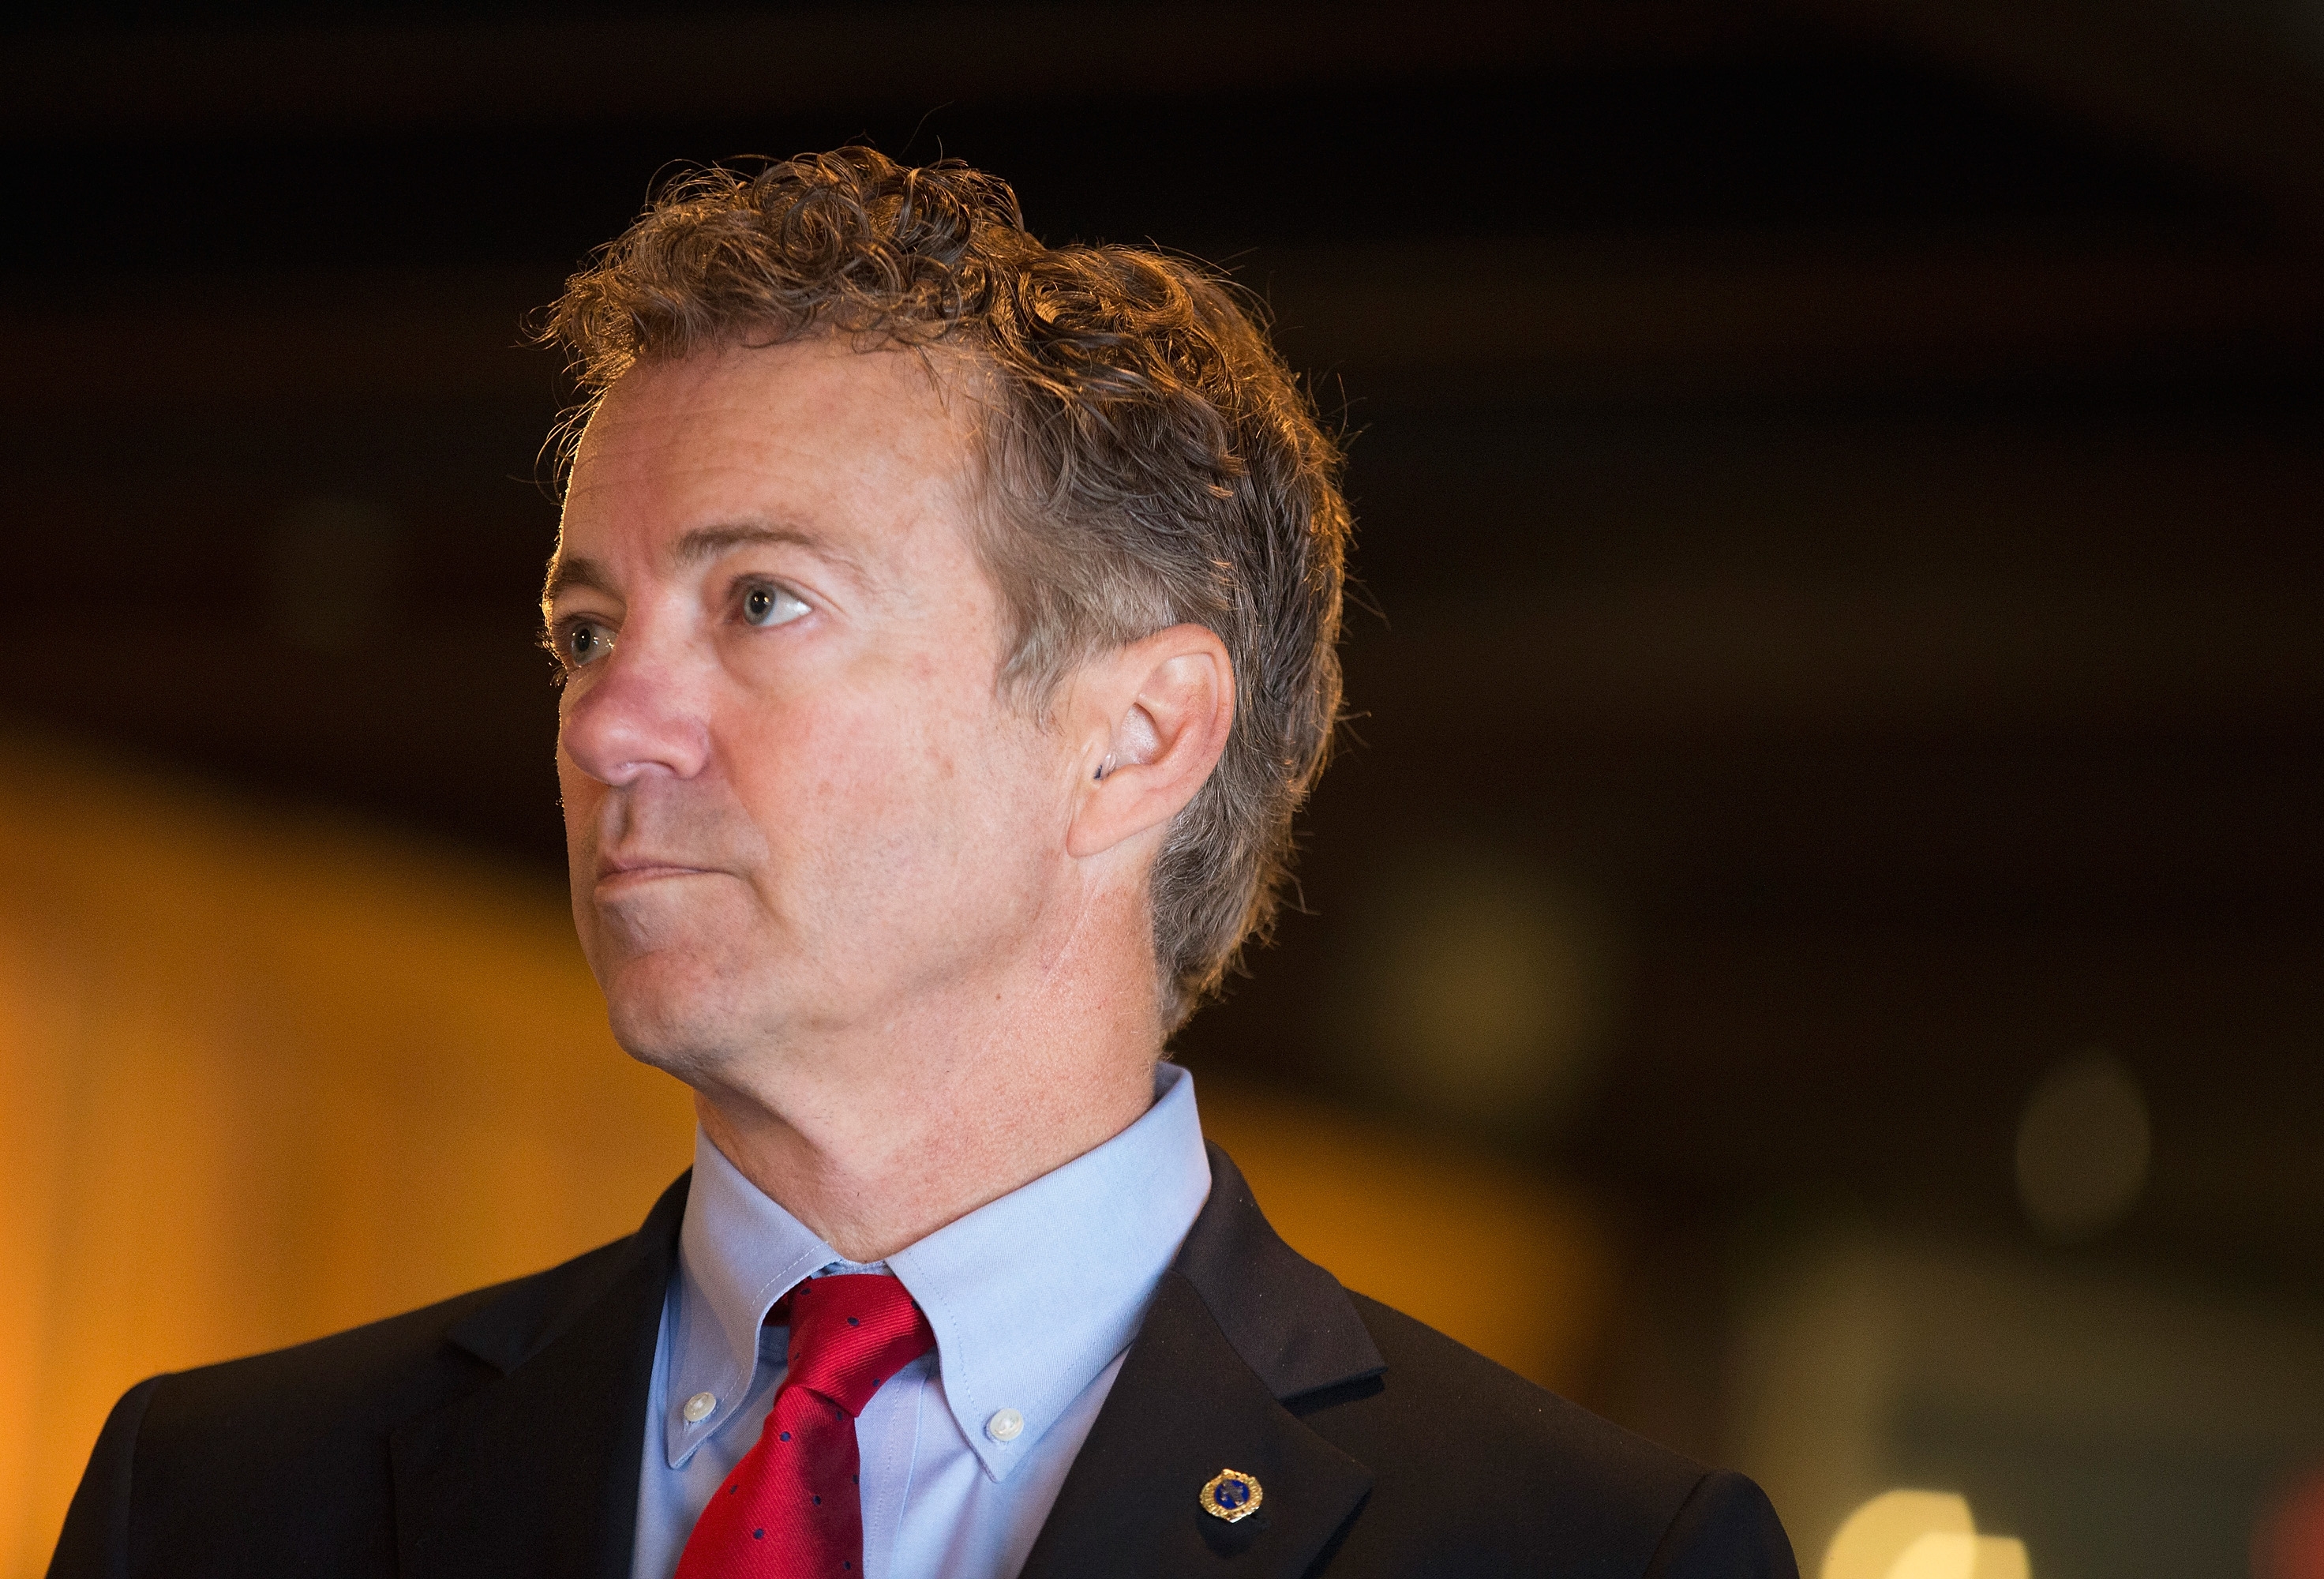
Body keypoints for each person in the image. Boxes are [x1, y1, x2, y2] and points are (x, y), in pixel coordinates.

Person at [48, 148, 1797, 1579]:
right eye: (586, 634)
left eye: (762, 601)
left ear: (1136, 738)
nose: (608, 725)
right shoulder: (210, 1506)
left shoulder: (1585, 1554)